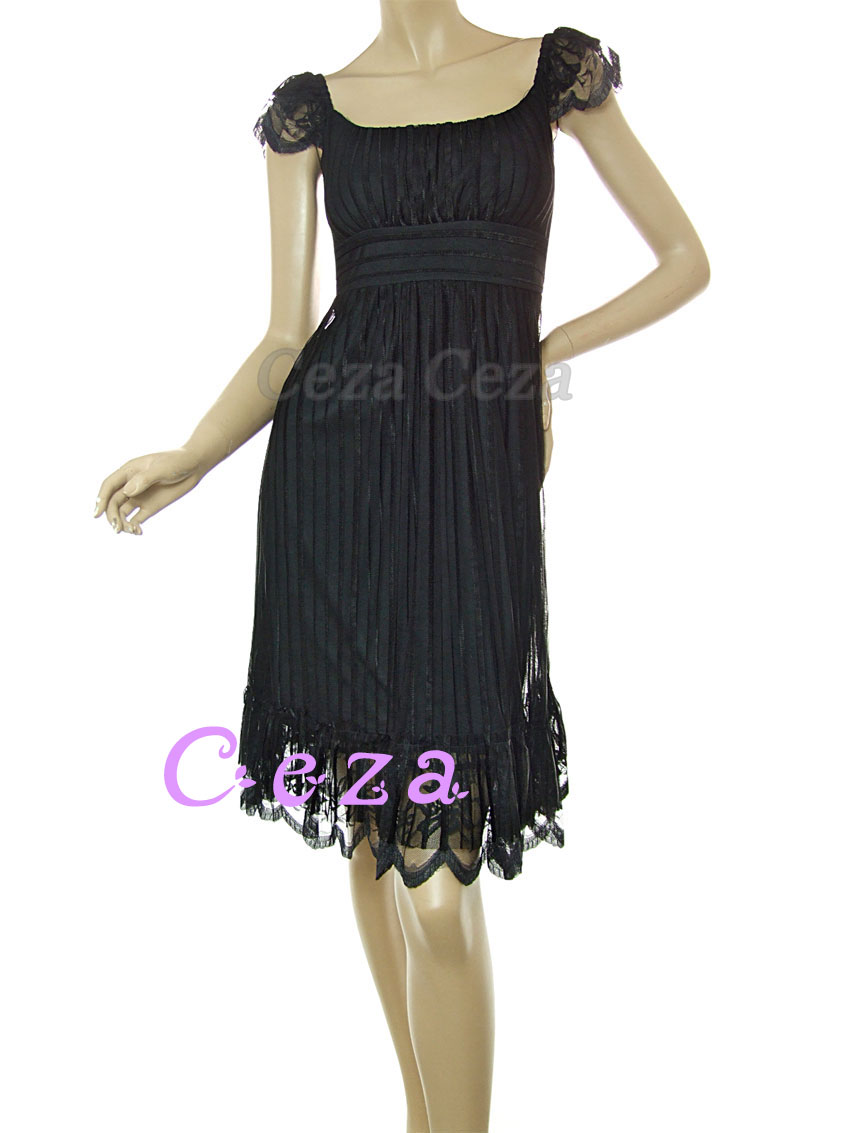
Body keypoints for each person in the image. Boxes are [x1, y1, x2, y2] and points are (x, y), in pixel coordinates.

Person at [94, 7, 709, 1131]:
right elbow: (285, 340)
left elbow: (685, 260)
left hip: (472, 489)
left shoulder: (551, 73)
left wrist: (541, 356)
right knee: (381, 830)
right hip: (336, 484)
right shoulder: (311, 110)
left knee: (438, 876)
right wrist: (193, 454)